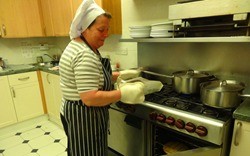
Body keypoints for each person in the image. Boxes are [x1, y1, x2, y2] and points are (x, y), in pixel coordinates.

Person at [59, 0, 145, 155]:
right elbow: (90, 98)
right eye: (101, 29)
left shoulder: (80, 45)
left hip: (74, 112)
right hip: (85, 118)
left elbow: (93, 77)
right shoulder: (84, 53)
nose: (106, 34)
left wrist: (120, 75)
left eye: (107, 29)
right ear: (85, 29)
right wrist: (123, 93)